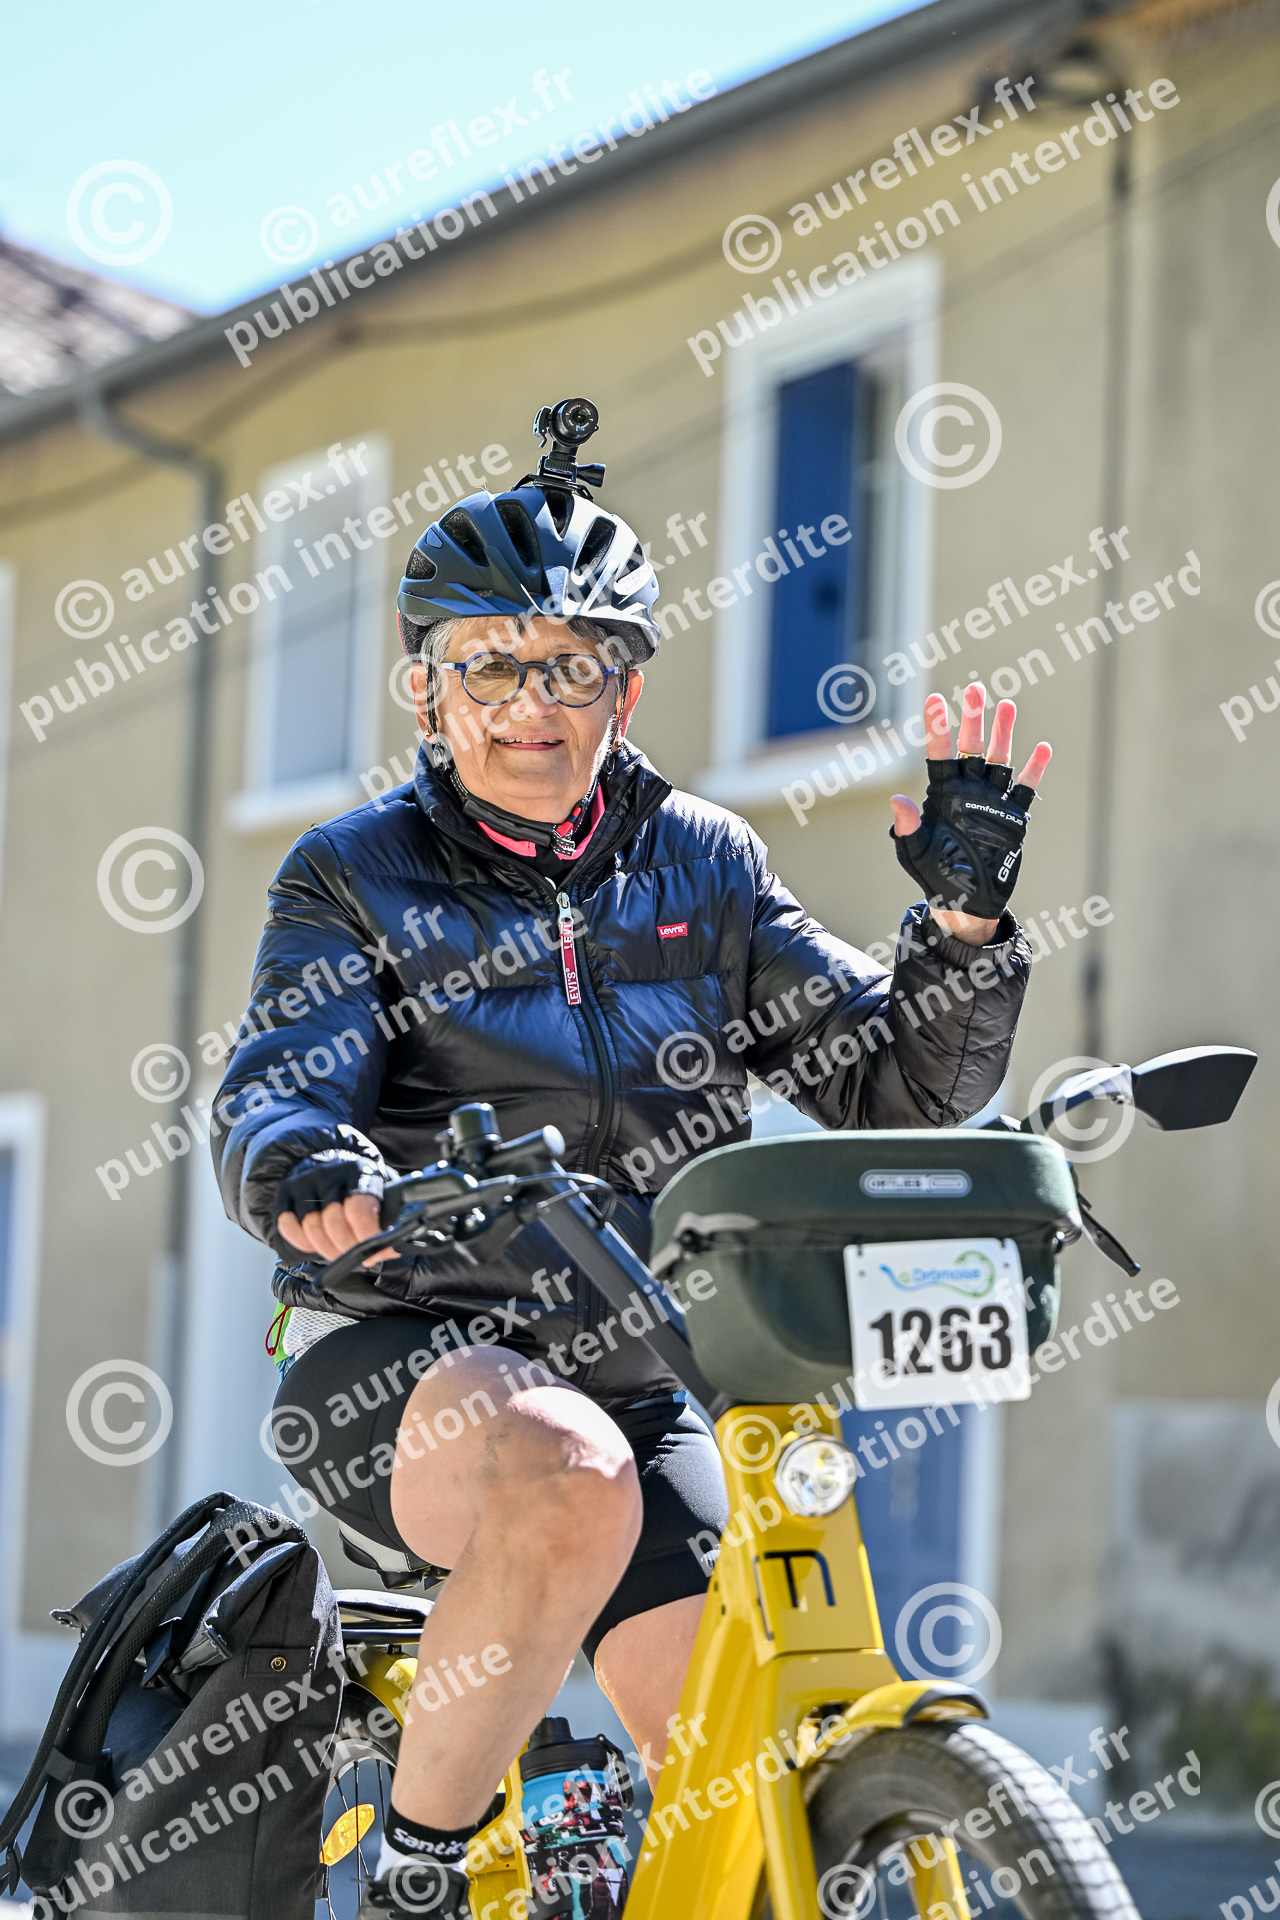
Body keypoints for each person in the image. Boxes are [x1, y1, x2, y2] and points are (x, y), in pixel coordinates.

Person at [212, 399, 1049, 1918]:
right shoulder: (350, 874)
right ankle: (418, 1868)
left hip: (648, 1353)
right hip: (407, 1349)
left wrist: (962, 927)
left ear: (629, 685)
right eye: (490, 664)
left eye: (575, 664)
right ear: (425, 688)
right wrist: (307, 1164)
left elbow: (889, 1086)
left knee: (745, 1759)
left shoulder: (707, 861)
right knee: (568, 1470)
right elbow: (280, 1082)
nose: (533, 702)